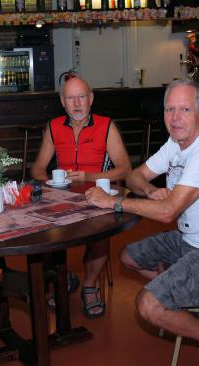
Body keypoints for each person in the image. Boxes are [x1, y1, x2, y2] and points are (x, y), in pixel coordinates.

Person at [86, 79, 199, 366]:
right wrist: (150, 190)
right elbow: (134, 176)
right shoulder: (176, 143)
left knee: (149, 305)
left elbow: (167, 213)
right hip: (191, 240)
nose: (174, 118)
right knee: (128, 257)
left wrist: (113, 202)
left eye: (184, 109)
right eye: (169, 109)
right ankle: (183, 302)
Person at [30, 77, 131, 318]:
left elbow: (125, 168)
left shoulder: (106, 125)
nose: (76, 103)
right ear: (62, 102)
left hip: (98, 195)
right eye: (70, 98)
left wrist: (89, 176)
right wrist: (50, 184)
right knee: (42, 233)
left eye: (81, 97)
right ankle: (62, 277)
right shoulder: (54, 127)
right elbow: (38, 169)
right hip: (62, 198)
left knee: (100, 234)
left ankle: (89, 285)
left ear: (91, 99)